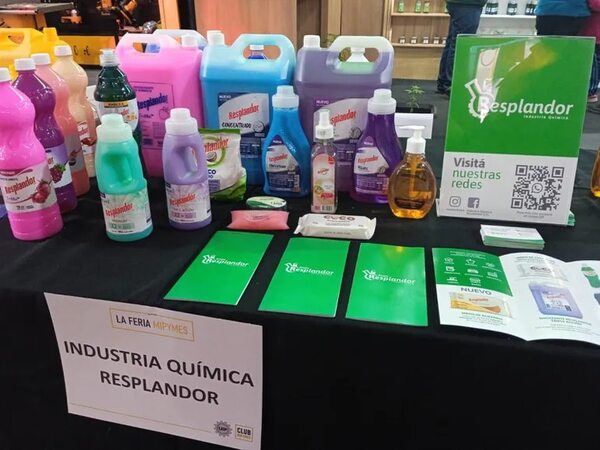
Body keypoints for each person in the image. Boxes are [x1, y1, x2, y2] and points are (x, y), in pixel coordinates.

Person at [437, 0, 486, 95]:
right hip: (468, 4)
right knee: (461, 44)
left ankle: (445, 82)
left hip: (461, 4)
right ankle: (453, 84)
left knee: (453, 41)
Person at [580, 0, 600, 102]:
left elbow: (595, 4)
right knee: (593, 63)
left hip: (592, 31)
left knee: (594, 63)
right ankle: (591, 91)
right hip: (592, 31)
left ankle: (591, 91)